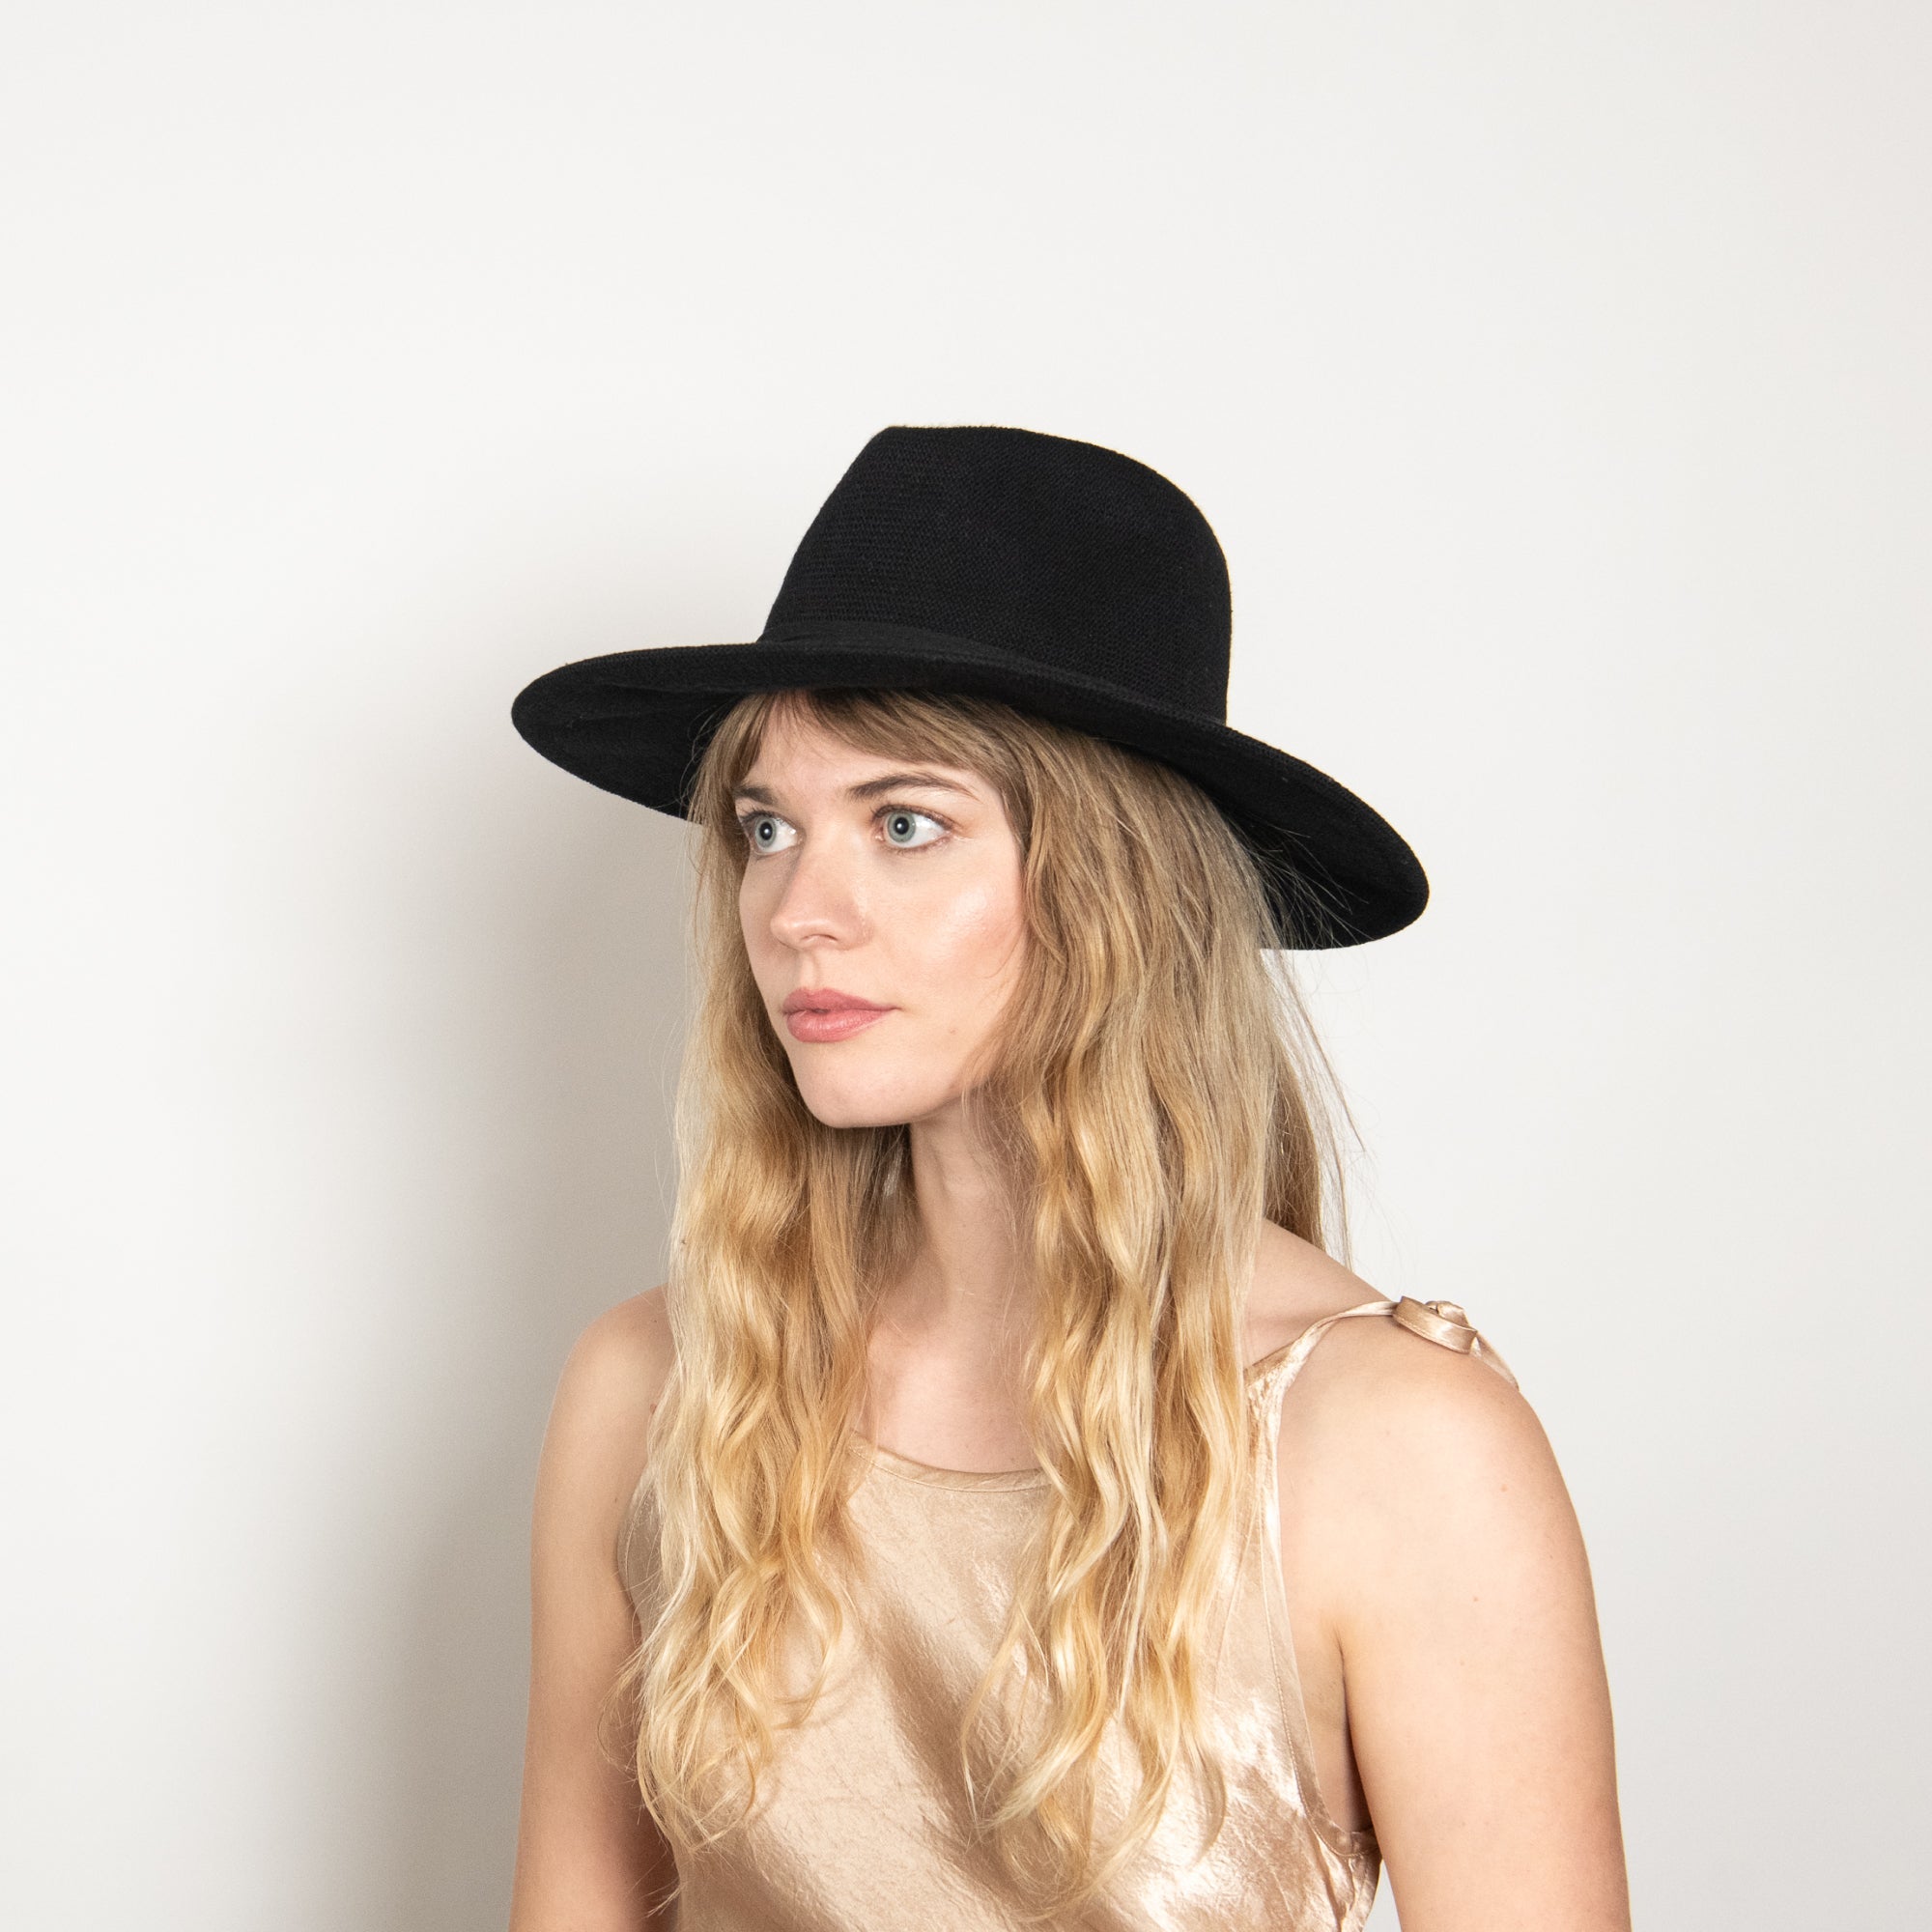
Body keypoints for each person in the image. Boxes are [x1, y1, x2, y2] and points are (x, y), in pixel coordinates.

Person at [503, 426, 1631, 1932]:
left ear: (1115, 887)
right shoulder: (660, 1388)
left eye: (906, 824)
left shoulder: (1394, 1449)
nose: (797, 912)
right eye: (768, 828)